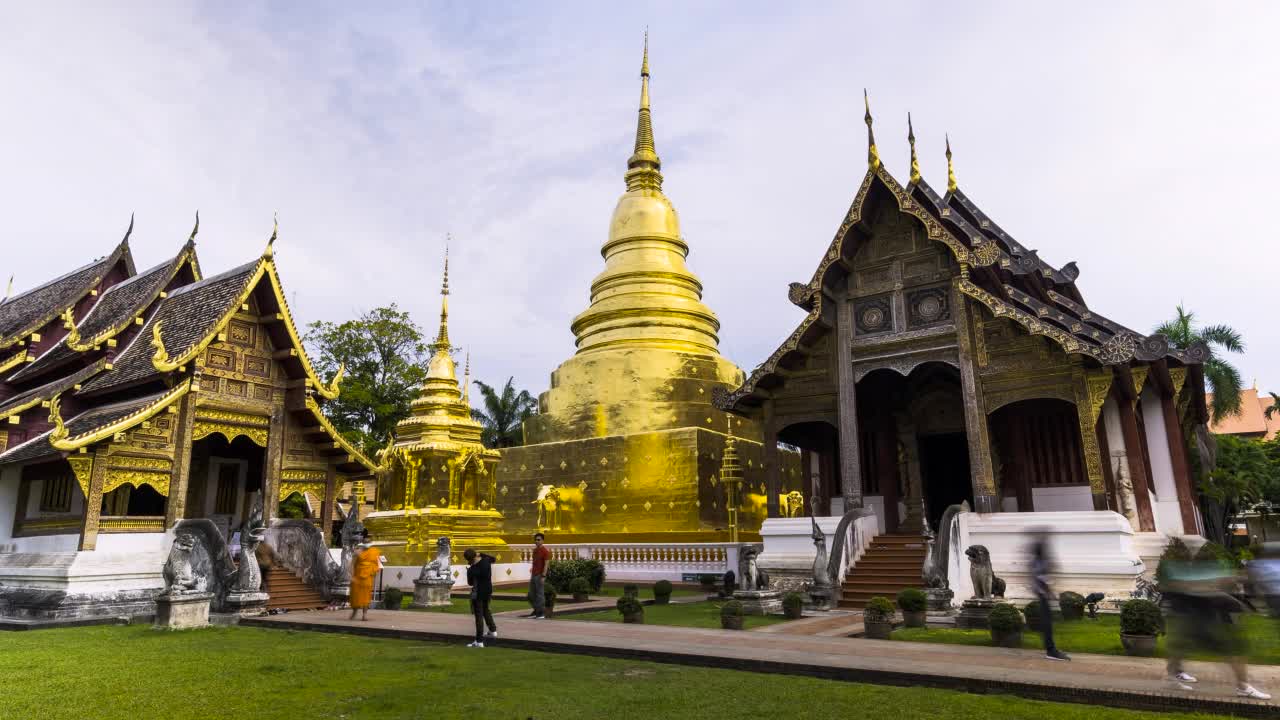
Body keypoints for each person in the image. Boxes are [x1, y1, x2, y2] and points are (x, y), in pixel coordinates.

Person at [1162, 554, 1270, 699]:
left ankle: (1173, 676)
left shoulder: (1193, 574)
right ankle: (1243, 687)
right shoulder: (1191, 577)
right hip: (1200, 622)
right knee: (1235, 650)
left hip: (1196, 620)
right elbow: (1205, 590)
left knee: (1179, 646)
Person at [1030, 534, 1069, 661]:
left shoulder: (1037, 561)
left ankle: (1051, 649)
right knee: (1047, 624)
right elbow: (1041, 579)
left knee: (1047, 623)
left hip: (1042, 594)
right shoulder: (1039, 562)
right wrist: (1049, 591)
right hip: (1043, 595)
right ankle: (1051, 651)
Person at [465, 548, 497, 647]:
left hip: (478, 593)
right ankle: (492, 630)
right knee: (486, 610)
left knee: (478, 615)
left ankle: (479, 641)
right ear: (476, 555)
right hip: (488, 590)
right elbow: (493, 559)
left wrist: (469, 571)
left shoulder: (472, 569)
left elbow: (470, 583)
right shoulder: (486, 560)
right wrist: (482, 554)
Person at [348, 532, 381, 622]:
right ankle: (354, 612)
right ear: (362, 543)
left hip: (367, 577)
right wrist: (351, 576)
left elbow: (376, 563)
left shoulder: (374, 551)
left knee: (366, 596)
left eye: (368, 543)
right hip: (357, 576)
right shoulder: (357, 551)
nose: (367, 545)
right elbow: (351, 564)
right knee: (355, 595)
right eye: (365, 543)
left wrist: (374, 571)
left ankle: (364, 614)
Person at [526, 532, 550, 619]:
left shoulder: (545, 551)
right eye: (535, 540)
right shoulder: (535, 551)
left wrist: (543, 576)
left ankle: (541, 613)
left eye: (539, 540)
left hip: (540, 575)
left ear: (543, 541)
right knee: (531, 594)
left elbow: (546, 564)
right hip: (534, 574)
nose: (537, 541)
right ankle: (536, 610)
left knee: (540, 594)